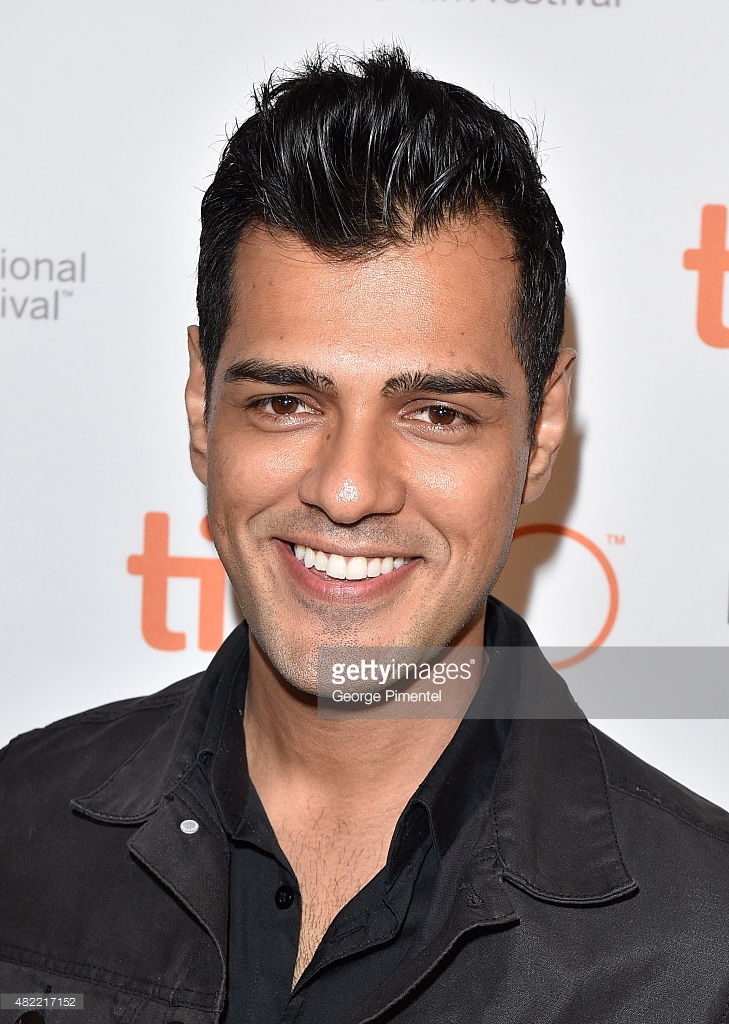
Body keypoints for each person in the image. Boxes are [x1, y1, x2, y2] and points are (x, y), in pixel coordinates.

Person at [1, 45, 728, 1024]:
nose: (348, 489)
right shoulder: (23, 827)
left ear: (542, 428)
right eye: (285, 401)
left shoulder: (703, 950)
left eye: (437, 414)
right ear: (197, 403)